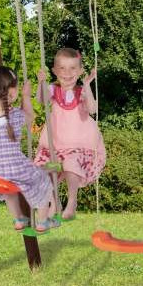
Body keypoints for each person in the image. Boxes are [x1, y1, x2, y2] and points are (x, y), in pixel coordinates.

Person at [0, 65, 58, 233]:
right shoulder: (13, 116)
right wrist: (26, 96)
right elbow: (30, 117)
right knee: (42, 179)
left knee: (8, 188)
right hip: (14, 169)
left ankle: (19, 219)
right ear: (11, 92)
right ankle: (43, 222)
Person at [34, 47, 106, 220]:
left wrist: (87, 84)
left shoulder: (82, 92)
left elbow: (92, 109)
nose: (67, 73)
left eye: (73, 68)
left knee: (70, 163)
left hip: (78, 145)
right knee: (42, 171)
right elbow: (41, 100)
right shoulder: (53, 90)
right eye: (62, 68)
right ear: (54, 71)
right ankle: (54, 202)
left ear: (80, 71)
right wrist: (41, 83)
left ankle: (72, 202)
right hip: (55, 145)